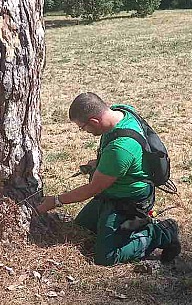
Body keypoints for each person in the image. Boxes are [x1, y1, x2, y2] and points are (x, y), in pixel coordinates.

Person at [37, 92, 181, 267]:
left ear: (94, 122)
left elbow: (92, 189)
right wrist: (100, 163)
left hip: (127, 201)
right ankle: (123, 226)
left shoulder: (119, 148)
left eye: (83, 127)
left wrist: (55, 201)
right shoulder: (121, 111)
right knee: (83, 227)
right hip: (112, 191)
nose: (84, 131)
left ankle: (160, 232)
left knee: (106, 257)